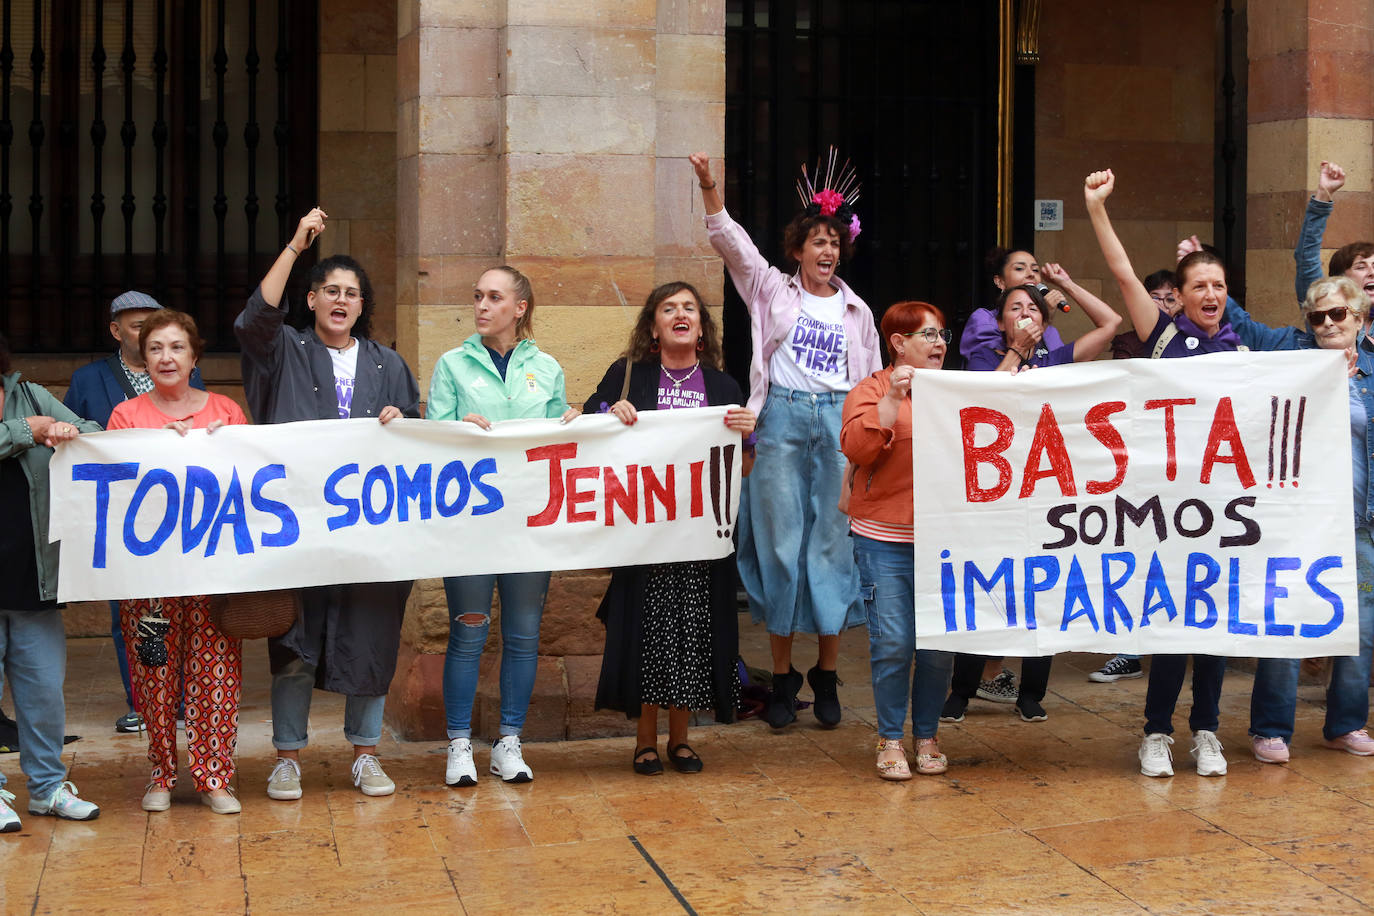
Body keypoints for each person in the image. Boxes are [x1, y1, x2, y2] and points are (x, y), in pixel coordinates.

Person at [691, 150, 881, 729]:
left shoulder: (858, 311)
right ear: (798, 250)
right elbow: (732, 243)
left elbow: (871, 381)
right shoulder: (770, 290)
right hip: (780, 422)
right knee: (778, 544)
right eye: (816, 242)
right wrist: (709, 187)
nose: (827, 251)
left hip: (837, 426)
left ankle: (825, 672)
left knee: (832, 544)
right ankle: (781, 678)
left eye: (834, 242)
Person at [235, 208, 420, 801]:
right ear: (311, 299)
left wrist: (403, 418)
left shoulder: (388, 364)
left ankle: (366, 755)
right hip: (298, 527)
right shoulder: (283, 352)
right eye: (331, 291)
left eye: (352, 294)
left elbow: (419, 435)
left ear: (362, 307)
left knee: (371, 637)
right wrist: (295, 245)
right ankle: (287, 757)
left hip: (369, 532)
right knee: (293, 639)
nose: (341, 300)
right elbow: (256, 319)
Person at [1086, 167, 1240, 779]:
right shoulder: (1163, 337)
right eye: (1198, 285)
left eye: (1219, 286)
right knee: (1172, 624)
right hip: (1167, 510)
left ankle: (1207, 731)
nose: (1210, 294)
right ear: (1177, 294)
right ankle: (1156, 733)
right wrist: (1095, 209)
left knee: (1216, 630)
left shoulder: (1241, 352)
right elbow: (1124, 273)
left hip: (1223, 511)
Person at [586, 282, 756, 775]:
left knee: (691, 634)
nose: (680, 314)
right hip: (646, 536)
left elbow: (741, 470)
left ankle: (681, 740)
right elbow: (588, 421)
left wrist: (747, 439)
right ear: (654, 326)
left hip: (702, 537)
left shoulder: (723, 386)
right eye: (669, 308)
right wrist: (609, 412)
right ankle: (644, 740)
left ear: (701, 328)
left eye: (689, 308)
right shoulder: (628, 375)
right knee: (647, 631)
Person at [427, 266, 576, 786]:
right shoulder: (451, 364)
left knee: (523, 635)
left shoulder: (548, 369)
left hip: (530, 523)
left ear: (520, 308)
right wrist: (453, 428)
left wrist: (577, 426)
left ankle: (508, 742)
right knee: (468, 632)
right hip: (469, 524)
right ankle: (459, 744)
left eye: (494, 297)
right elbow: (432, 439)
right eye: (477, 296)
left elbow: (559, 441)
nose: (482, 305)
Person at [1223, 276, 1374, 761]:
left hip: (1359, 523)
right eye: (1318, 316)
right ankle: (1271, 730)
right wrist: (1208, 282)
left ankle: (1346, 725)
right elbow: (1241, 323)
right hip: (1298, 522)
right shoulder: (1295, 363)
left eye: (1339, 314)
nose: (1329, 323)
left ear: (1359, 318)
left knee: (1362, 631)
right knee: (1287, 620)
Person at [107, 311, 248, 814]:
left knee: (217, 677)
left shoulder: (227, 411)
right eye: (156, 349)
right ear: (144, 360)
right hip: (150, 578)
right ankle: (161, 774)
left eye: (176, 348)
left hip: (213, 573)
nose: (167, 357)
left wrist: (219, 445)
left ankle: (214, 778)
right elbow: (119, 490)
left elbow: (251, 484)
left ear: (194, 356)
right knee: (154, 677)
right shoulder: (125, 417)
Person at [64, 291, 206, 735]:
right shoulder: (88, 381)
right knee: (133, 615)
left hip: (183, 517)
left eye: (152, 323)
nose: (146, 333)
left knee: (187, 606)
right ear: (116, 330)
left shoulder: (190, 377)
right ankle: (144, 702)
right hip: (123, 519)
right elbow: (76, 446)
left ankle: (183, 699)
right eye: (135, 325)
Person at [841, 301, 955, 779]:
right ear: (898, 343)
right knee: (893, 641)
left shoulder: (955, 391)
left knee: (937, 646)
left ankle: (926, 735)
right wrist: (892, 398)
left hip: (945, 541)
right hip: (882, 539)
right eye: (928, 335)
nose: (940, 343)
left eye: (943, 335)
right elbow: (858, 448)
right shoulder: (868, 389)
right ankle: (890, 738)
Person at [0, 334, 103, 831]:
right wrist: (26, 431)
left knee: (42, 693)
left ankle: (46, 789)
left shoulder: (32, 395)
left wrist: (65, 430)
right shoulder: (26, 415)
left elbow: (91, 432)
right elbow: (24, 432)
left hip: (32, 581)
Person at [959, 248, 1070, 367]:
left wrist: (1067, 284)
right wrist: (1044, 320)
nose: (1031, 274)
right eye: (1019, 268)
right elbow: (987, 366)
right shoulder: (984, 319)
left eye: (1035, 270)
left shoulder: (1051, 332)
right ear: (1000, 281)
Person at [1293, 160, 1374, 323]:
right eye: (1360, 267)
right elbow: (1306, 260)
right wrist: (1323, 195)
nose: (1372, 272)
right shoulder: (1325, 315)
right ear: (1341, 281)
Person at [1109, 269, 1179, 361]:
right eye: (1155, 298)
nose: (1161, 304)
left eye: (1170, 299)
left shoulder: (1189, 337)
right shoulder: (1128, 342)